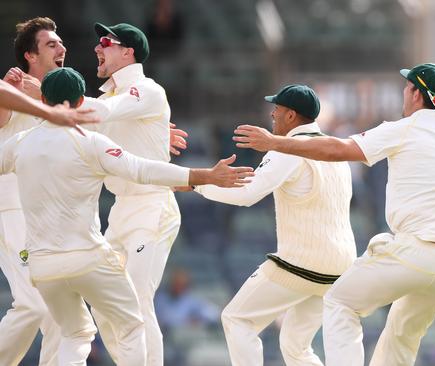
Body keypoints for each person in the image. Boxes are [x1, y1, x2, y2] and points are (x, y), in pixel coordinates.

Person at [0, 67, 253, 366]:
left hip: (43, 266)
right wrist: (205, 176)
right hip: (86, 258)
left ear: (42, 99)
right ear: (82, 101)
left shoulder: (18, 144)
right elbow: (144, 169)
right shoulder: (90, 143)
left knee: (76, 333)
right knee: (132, 325)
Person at [234, 64, 435, 366]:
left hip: (416, 252)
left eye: (405, 86)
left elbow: (336, 149)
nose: (402, 92)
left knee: (339, 301)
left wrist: (274, 142)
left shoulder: (405, 129)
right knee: (402, 335)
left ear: (415, 92)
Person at [183, 84, 357, 365]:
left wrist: (197, 183)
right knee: (295, 345)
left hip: (302, 263)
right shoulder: (332, 151)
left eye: (276, 109)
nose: (272, 115)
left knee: (237, 319)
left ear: (291, 116)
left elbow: (247, 195)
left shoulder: (286, 149)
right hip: (339, 268)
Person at [77, 22, 188, 366]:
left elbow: (101, 114)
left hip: (152, 205)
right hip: (122, 210)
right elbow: (86, 128)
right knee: (104, 302)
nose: (98, 47)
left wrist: (43, 96)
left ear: (128, 52)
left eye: (106, 42)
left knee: (138, 299)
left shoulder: (147, 90)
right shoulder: (108, 98)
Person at [0, 17, 91, 366]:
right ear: (30, 55)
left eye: (61, 43)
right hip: (15, 210)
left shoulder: (65, 98)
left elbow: (98, 121)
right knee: (33, 305)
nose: (62, 48)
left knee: (60, 310)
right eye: (51, 44)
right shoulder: (10, 89)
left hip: (54, 217)